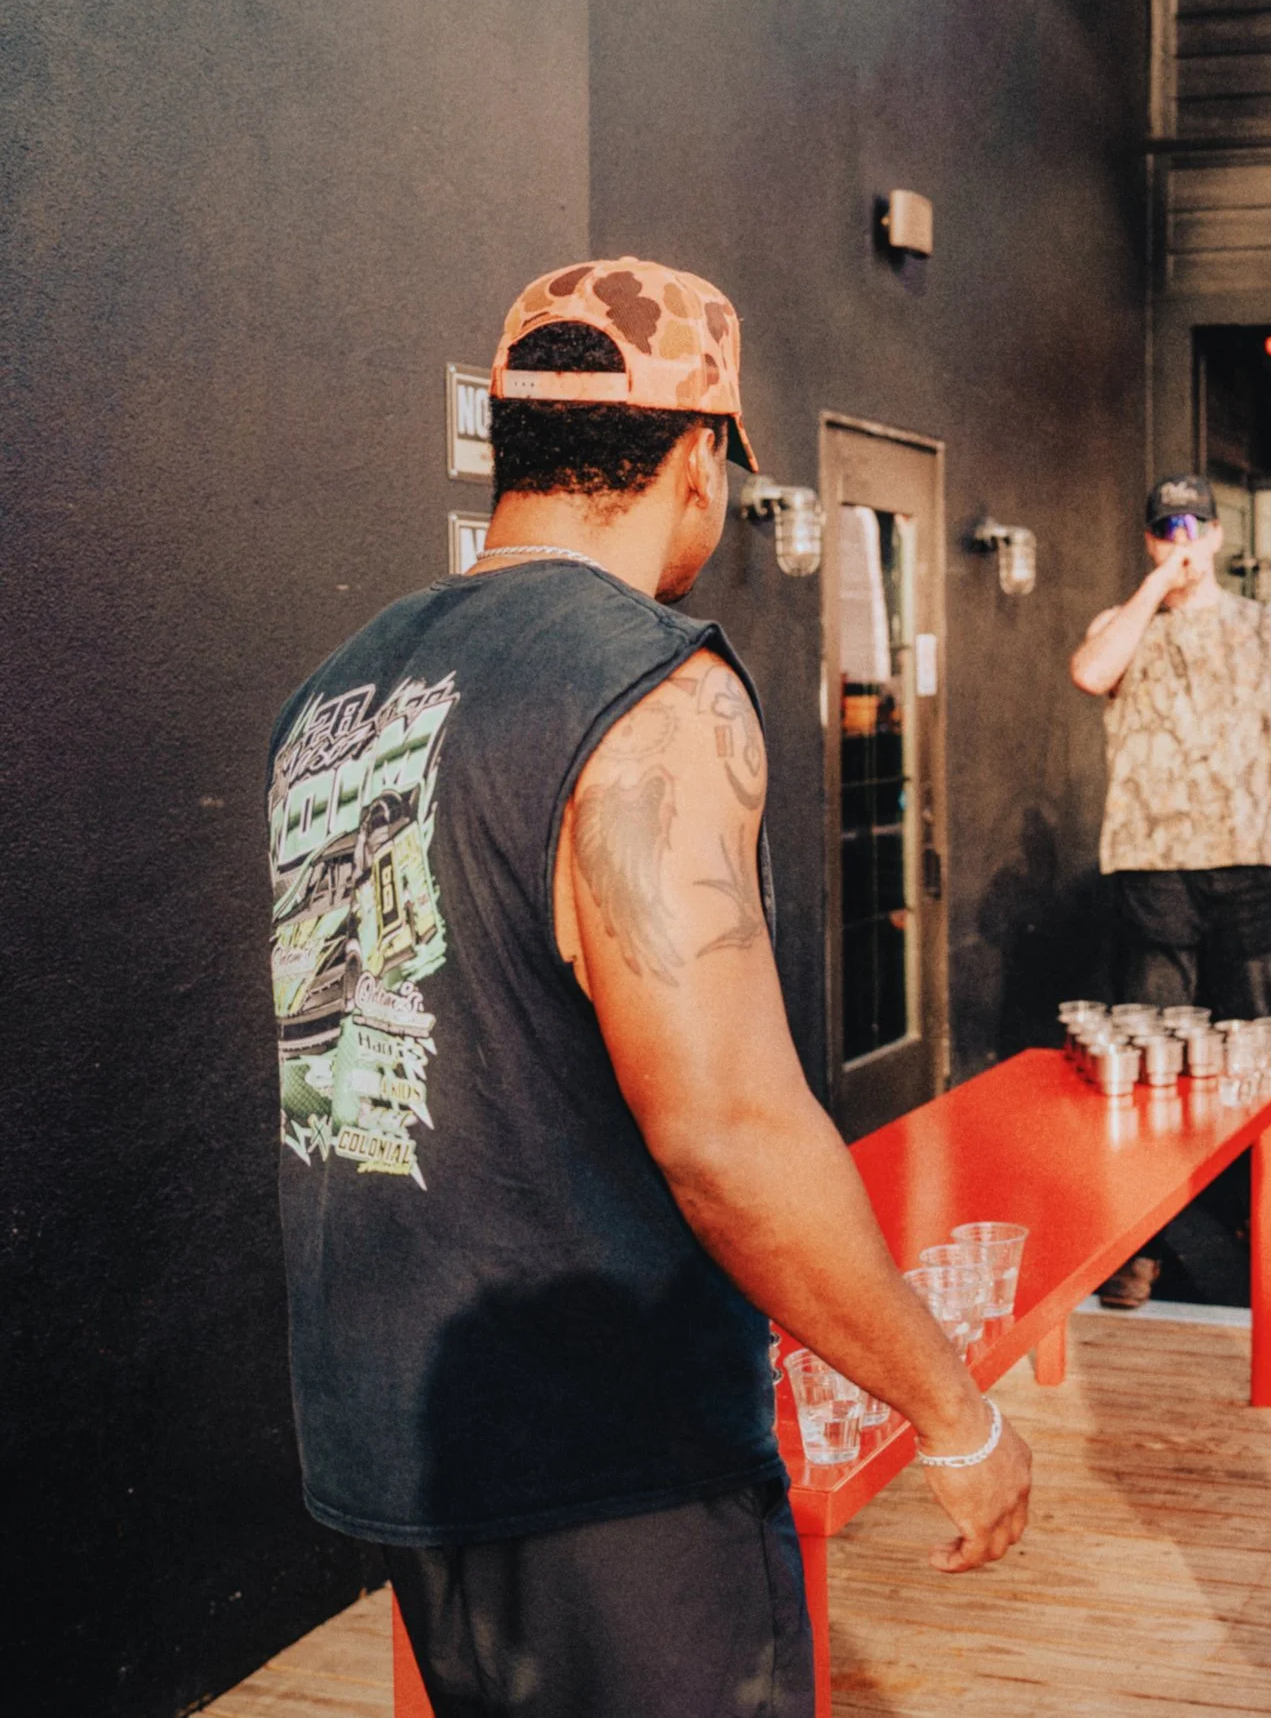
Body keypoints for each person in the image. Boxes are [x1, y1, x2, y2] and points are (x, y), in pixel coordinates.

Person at [266, 259, 1029, 1717]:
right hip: (608, 1444)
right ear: (698, 459)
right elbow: (723, 1128)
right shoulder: (651, 691)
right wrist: (953, 1405)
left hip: (404, 1429)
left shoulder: (334, 694)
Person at [1070, 472, 1271, 1303]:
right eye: (1163, 530)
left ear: (1218, 534)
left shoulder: (1265, 628)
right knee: (1153, 1052)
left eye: (1192, 527)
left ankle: (1266, 1213)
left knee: (1255, 1048)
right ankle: (1141, 1236)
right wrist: (1156, 585)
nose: (1179, 540)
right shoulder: (1123, 623)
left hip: (1249, 857)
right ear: (1150, 539)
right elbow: (1090, 672)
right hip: (1152, 863)